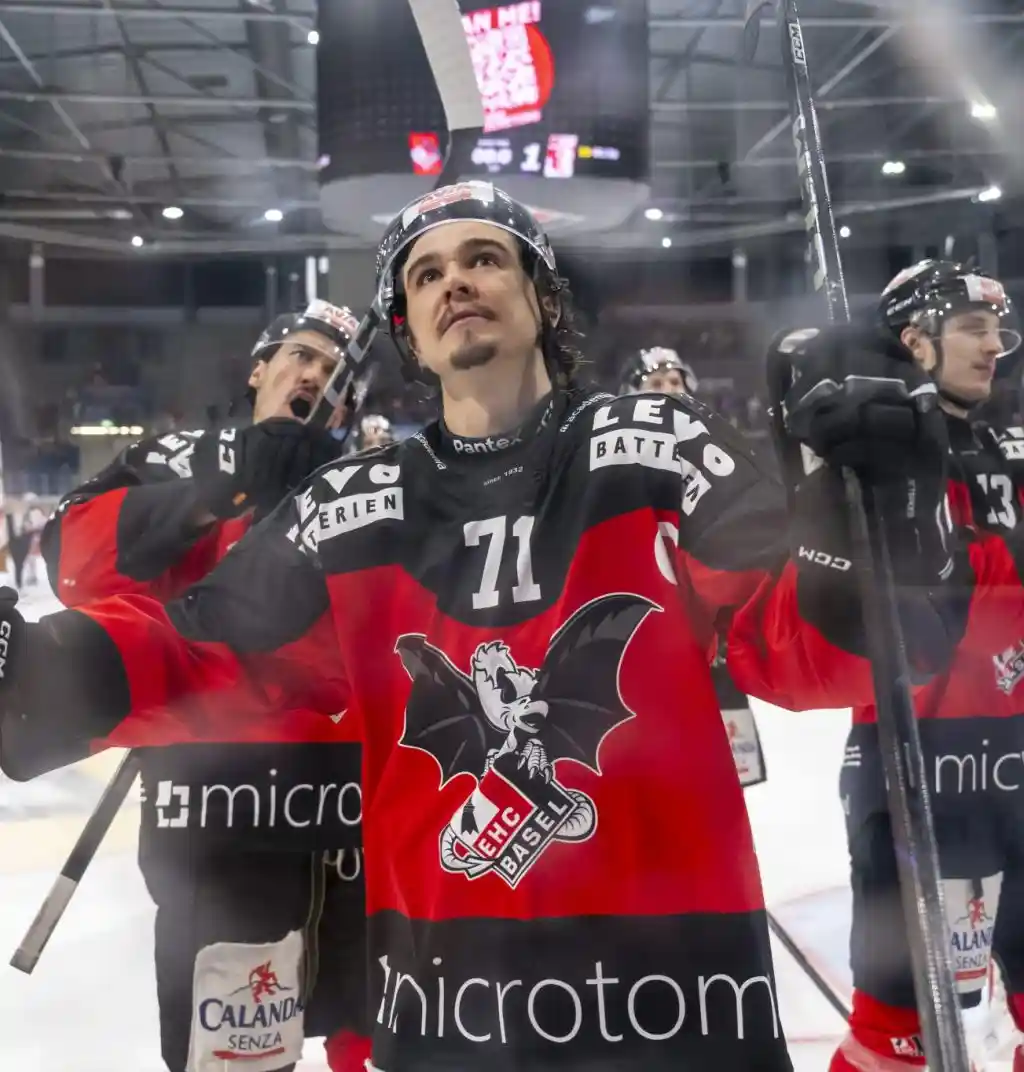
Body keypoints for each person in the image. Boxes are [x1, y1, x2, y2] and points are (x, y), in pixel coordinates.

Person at [0, 181, 965, 1072]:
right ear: (409, 335)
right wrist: (32, 669)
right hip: (450, 1004)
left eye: (484, 258)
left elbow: (814, 654)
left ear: (541, 297)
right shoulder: (349, 508)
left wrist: (876, 525)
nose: (455, 281)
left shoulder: (657, 447)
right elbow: (203, 650)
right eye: (425, 274)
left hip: (677, 993)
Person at [33, 300, 372, 1072]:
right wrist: (227, 484)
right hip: (227, 810)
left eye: (335, 372)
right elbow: (72, 561)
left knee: (376, 1039)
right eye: (302, 355)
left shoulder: (369, 483)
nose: (316, 375)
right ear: (259, 368)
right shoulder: (183, 456)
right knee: (235, 1060)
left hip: (355, 806)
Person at [829, 260, 1024, 1072]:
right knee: (897, 1034)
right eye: (974, 328)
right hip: (918, 757)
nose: (995, 345)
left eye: (998, 329)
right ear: (916, 341)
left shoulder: (1008, 445)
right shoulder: (868, 451)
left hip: (1014, 749)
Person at [619, 346, 765, 787]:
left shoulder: (718, 448)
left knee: (728, 783)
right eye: (655, 384)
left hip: (710, 631)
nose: (668, 392)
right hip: (650, 633)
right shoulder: (613, 460)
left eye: (675, 382)